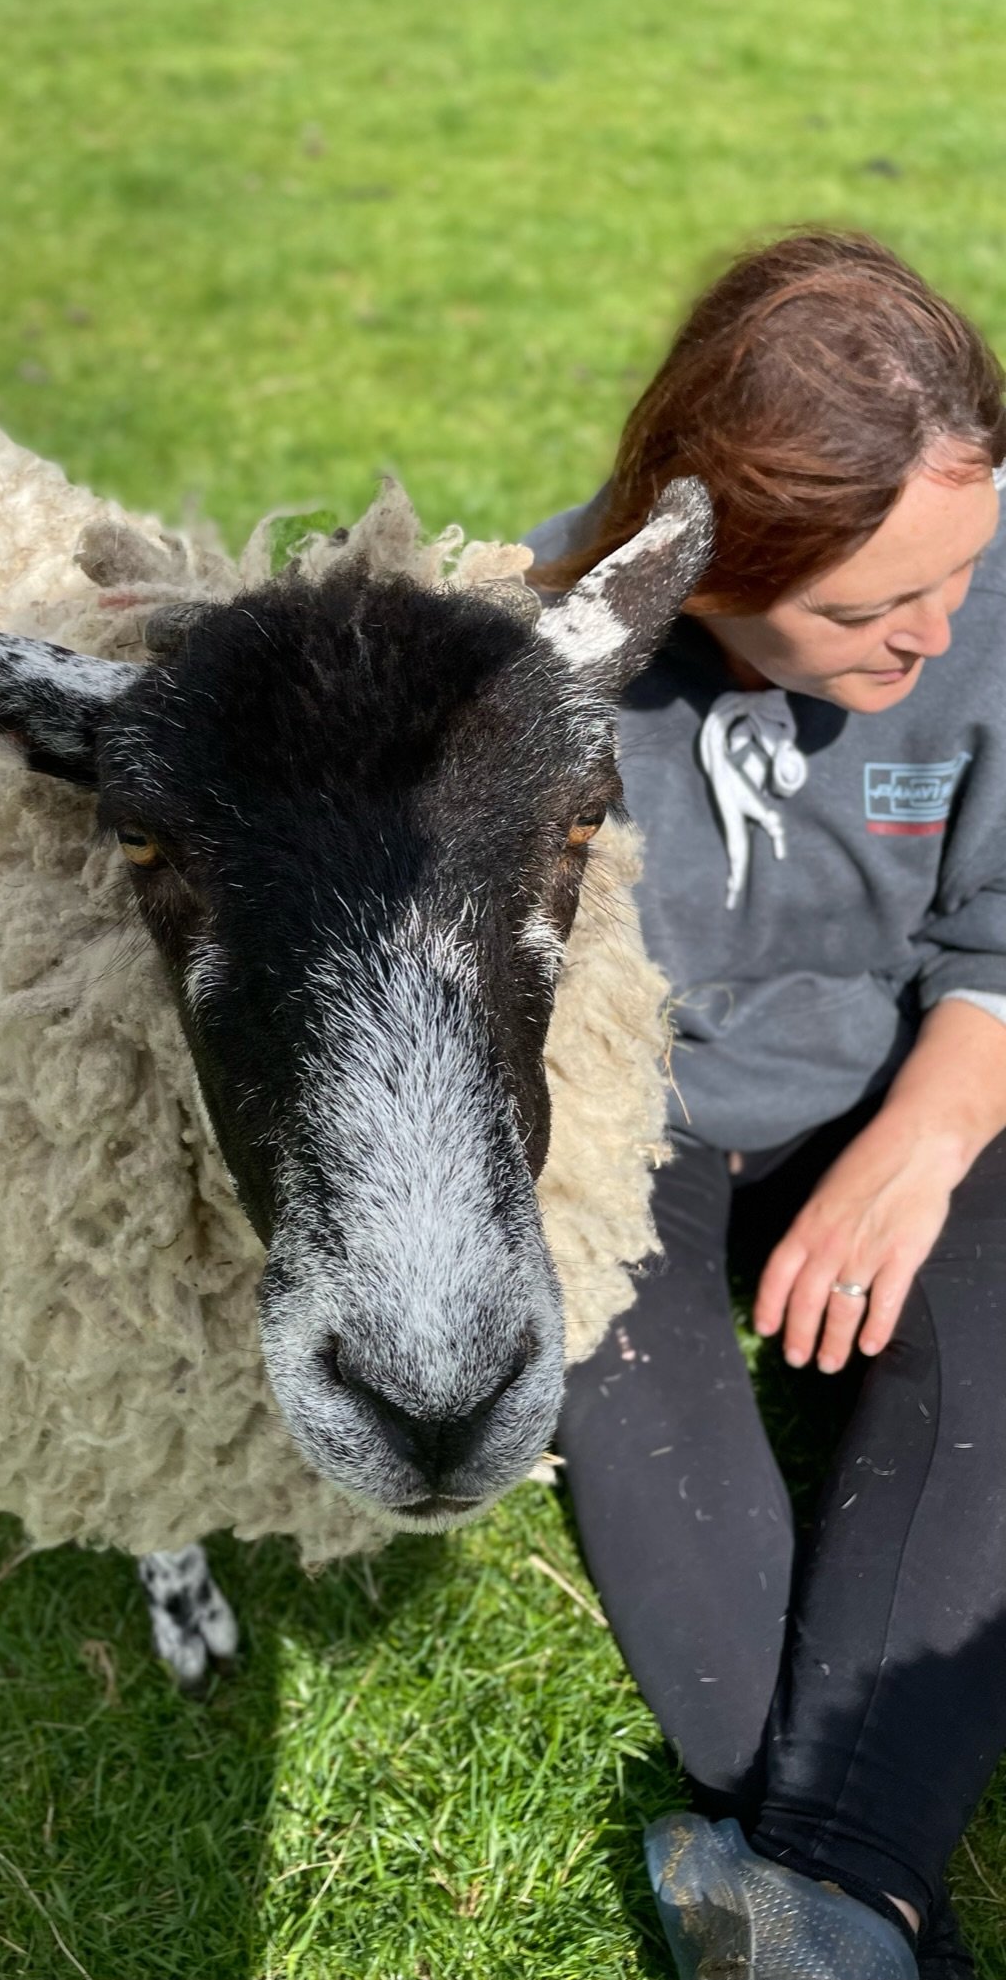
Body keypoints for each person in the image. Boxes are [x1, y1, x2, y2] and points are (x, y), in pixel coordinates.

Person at [523, 231, 1006, 1980]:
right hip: (630, 1125)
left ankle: (816, 1901)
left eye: (962, 572)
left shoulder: (985, 593)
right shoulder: (542, 662)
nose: (937, 631)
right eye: (874, 610)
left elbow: (999, 944)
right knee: (598, 1320)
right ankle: (875, 1911)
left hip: (910, 1077)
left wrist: (921, 1143)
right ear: (713, 560)